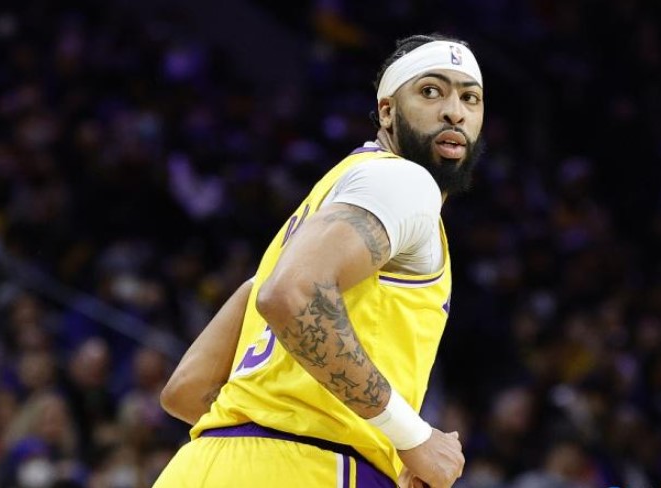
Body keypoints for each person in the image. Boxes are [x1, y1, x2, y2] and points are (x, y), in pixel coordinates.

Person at [155, 33, 486, 488]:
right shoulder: (405, 182)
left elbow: (186, 390)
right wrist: (411, 438)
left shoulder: (311, 226)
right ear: (387, 111)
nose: (454, 111)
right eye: (431, 91)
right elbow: (292, 296)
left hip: (201, 466)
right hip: (307, 470)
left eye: (470, 98)